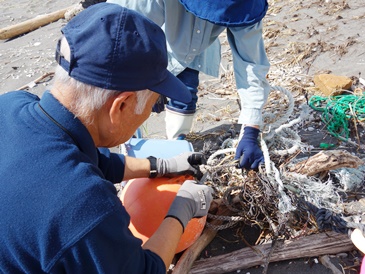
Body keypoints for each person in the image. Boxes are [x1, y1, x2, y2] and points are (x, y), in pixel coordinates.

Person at [0, 3, 213, 273]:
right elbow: (144, 270)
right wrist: (181, 211)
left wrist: (158, 166)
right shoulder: (84, 207)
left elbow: (82, 159)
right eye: (155, 105)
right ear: (121, 106)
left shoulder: (10, 104)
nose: (151, 112)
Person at [106, 0, 271, 170]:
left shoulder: (247, 6)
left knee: (186, 92)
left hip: (196, 45)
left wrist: (251, 129)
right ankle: (127, 147)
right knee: (129, 95)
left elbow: (252, 64)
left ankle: (176, 145)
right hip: (152, 34)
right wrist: (142, 81)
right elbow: (125, 36)